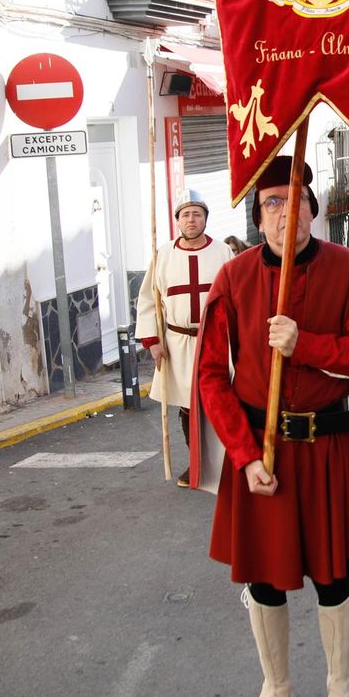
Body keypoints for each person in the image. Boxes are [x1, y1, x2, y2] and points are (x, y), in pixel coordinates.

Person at [190, 156, 349, 697]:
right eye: (273, 203)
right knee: (266, 580)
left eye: (297, 201)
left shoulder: (347, 268)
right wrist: (244, 455)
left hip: (326, 448)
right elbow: (211, 377)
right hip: (262, 455)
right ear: (258, 217)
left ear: (315, 208)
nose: (286, 213)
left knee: (334, 577)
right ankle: (276, 691)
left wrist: (304, 344)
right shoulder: (233, 278)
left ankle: (343, 691)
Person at [135, 190, 233, 488]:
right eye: (186, 215)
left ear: (205, 219)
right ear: (178, 220)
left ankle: (226, 463)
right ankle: (197, 464)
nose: (191, 220)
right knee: (188, 406)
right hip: (177, 343)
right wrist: (153, 341)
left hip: (216, 341)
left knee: (218, 400)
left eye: (197, 214)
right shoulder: (163, 256)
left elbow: (237, 297)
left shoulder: (223, 253)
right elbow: (149, 300)